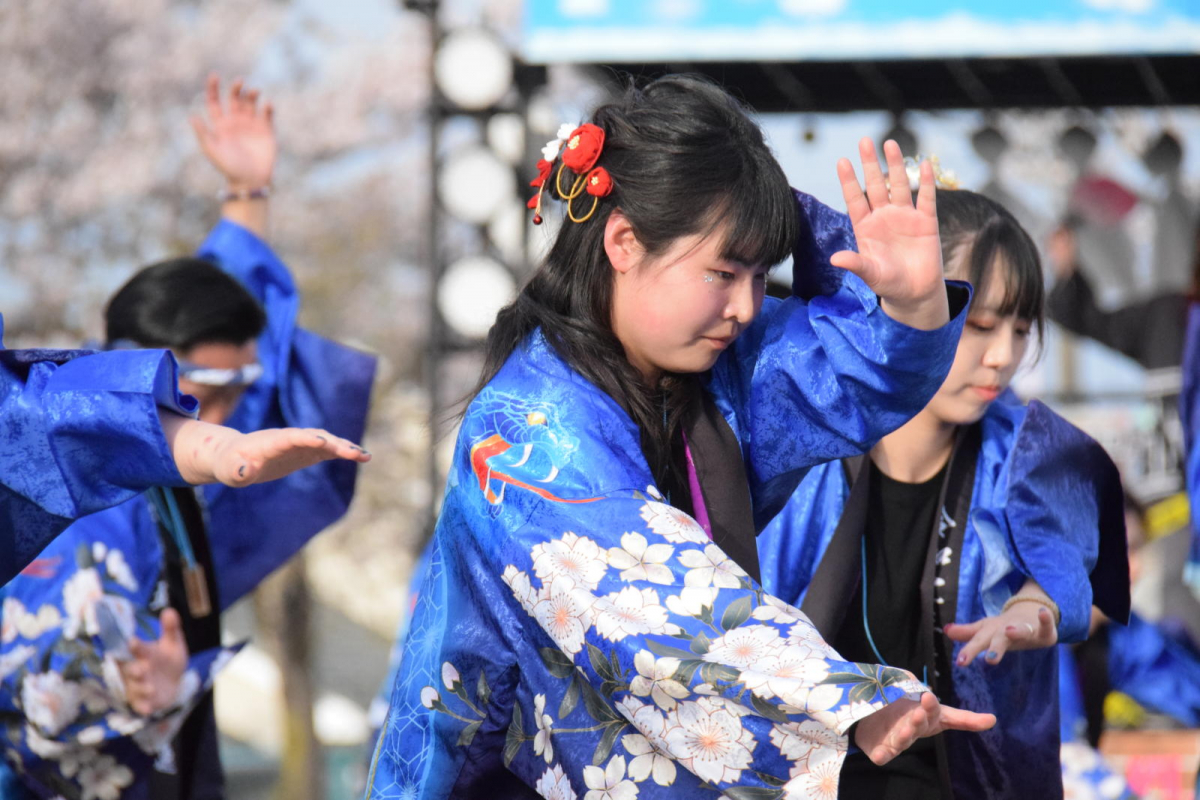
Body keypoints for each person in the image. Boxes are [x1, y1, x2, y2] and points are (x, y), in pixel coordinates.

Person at [367, 75, 995, 800]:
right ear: (623, 242)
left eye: (759, 275)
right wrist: (841, 698)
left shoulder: (719, 370)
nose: (746, 305)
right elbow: (661, 600)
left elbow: (854, 377)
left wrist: (914, 306)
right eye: (722, 272)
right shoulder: (524, 428)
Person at [0, 76, 376, 800]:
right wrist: (130, 682)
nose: (234, 412)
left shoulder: (187, 452)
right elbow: (34, 671)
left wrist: (247, 193)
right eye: (207, 388)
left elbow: (222, 324)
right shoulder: (74, 483)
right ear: (135, 370)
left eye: (243, 386)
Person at [757, 186, 1131, 799]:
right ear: (906, 305)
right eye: (979, 325)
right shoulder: (802, 440)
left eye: (1020, 329)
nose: (1003, 356)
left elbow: (1058, 564)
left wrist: (1030, 609)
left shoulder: (1029, 452)